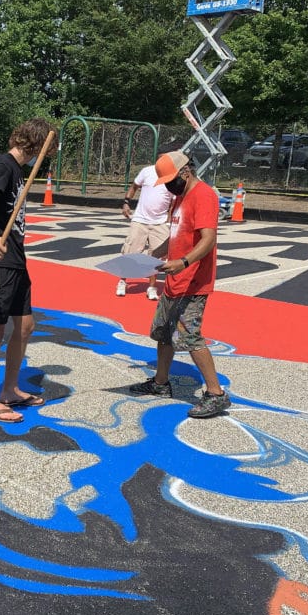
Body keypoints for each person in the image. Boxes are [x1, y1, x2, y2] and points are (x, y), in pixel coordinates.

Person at [130, 151, 231, 419]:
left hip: (193, 282)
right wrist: (149, 257)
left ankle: (216, 394)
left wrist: (184, 262)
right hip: (175, 280)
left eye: (171, 180)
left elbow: (208, 239)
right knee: (163, 332)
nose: (168, 186)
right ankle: (161, 383)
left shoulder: (204, 195)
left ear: (186, 172)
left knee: (190, 337)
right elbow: (175, 237)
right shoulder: (180, 197)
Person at [0, 118, 56, 423]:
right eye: (47, 150)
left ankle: (8, 389)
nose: (46, 158)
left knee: (26, 325)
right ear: (36, 144)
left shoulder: (18, 171)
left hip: (17, 259)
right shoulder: (3, 165)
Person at [118, 161, 173, 299]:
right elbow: (134, 186)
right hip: (140, 220)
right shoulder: (147, 171)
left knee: (156, 257)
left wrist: (169, 219)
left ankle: (152, 287)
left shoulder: (173, 176)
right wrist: (126, 203)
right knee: (130, 252)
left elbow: (174, 201)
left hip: (160, 222)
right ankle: (122, 281)